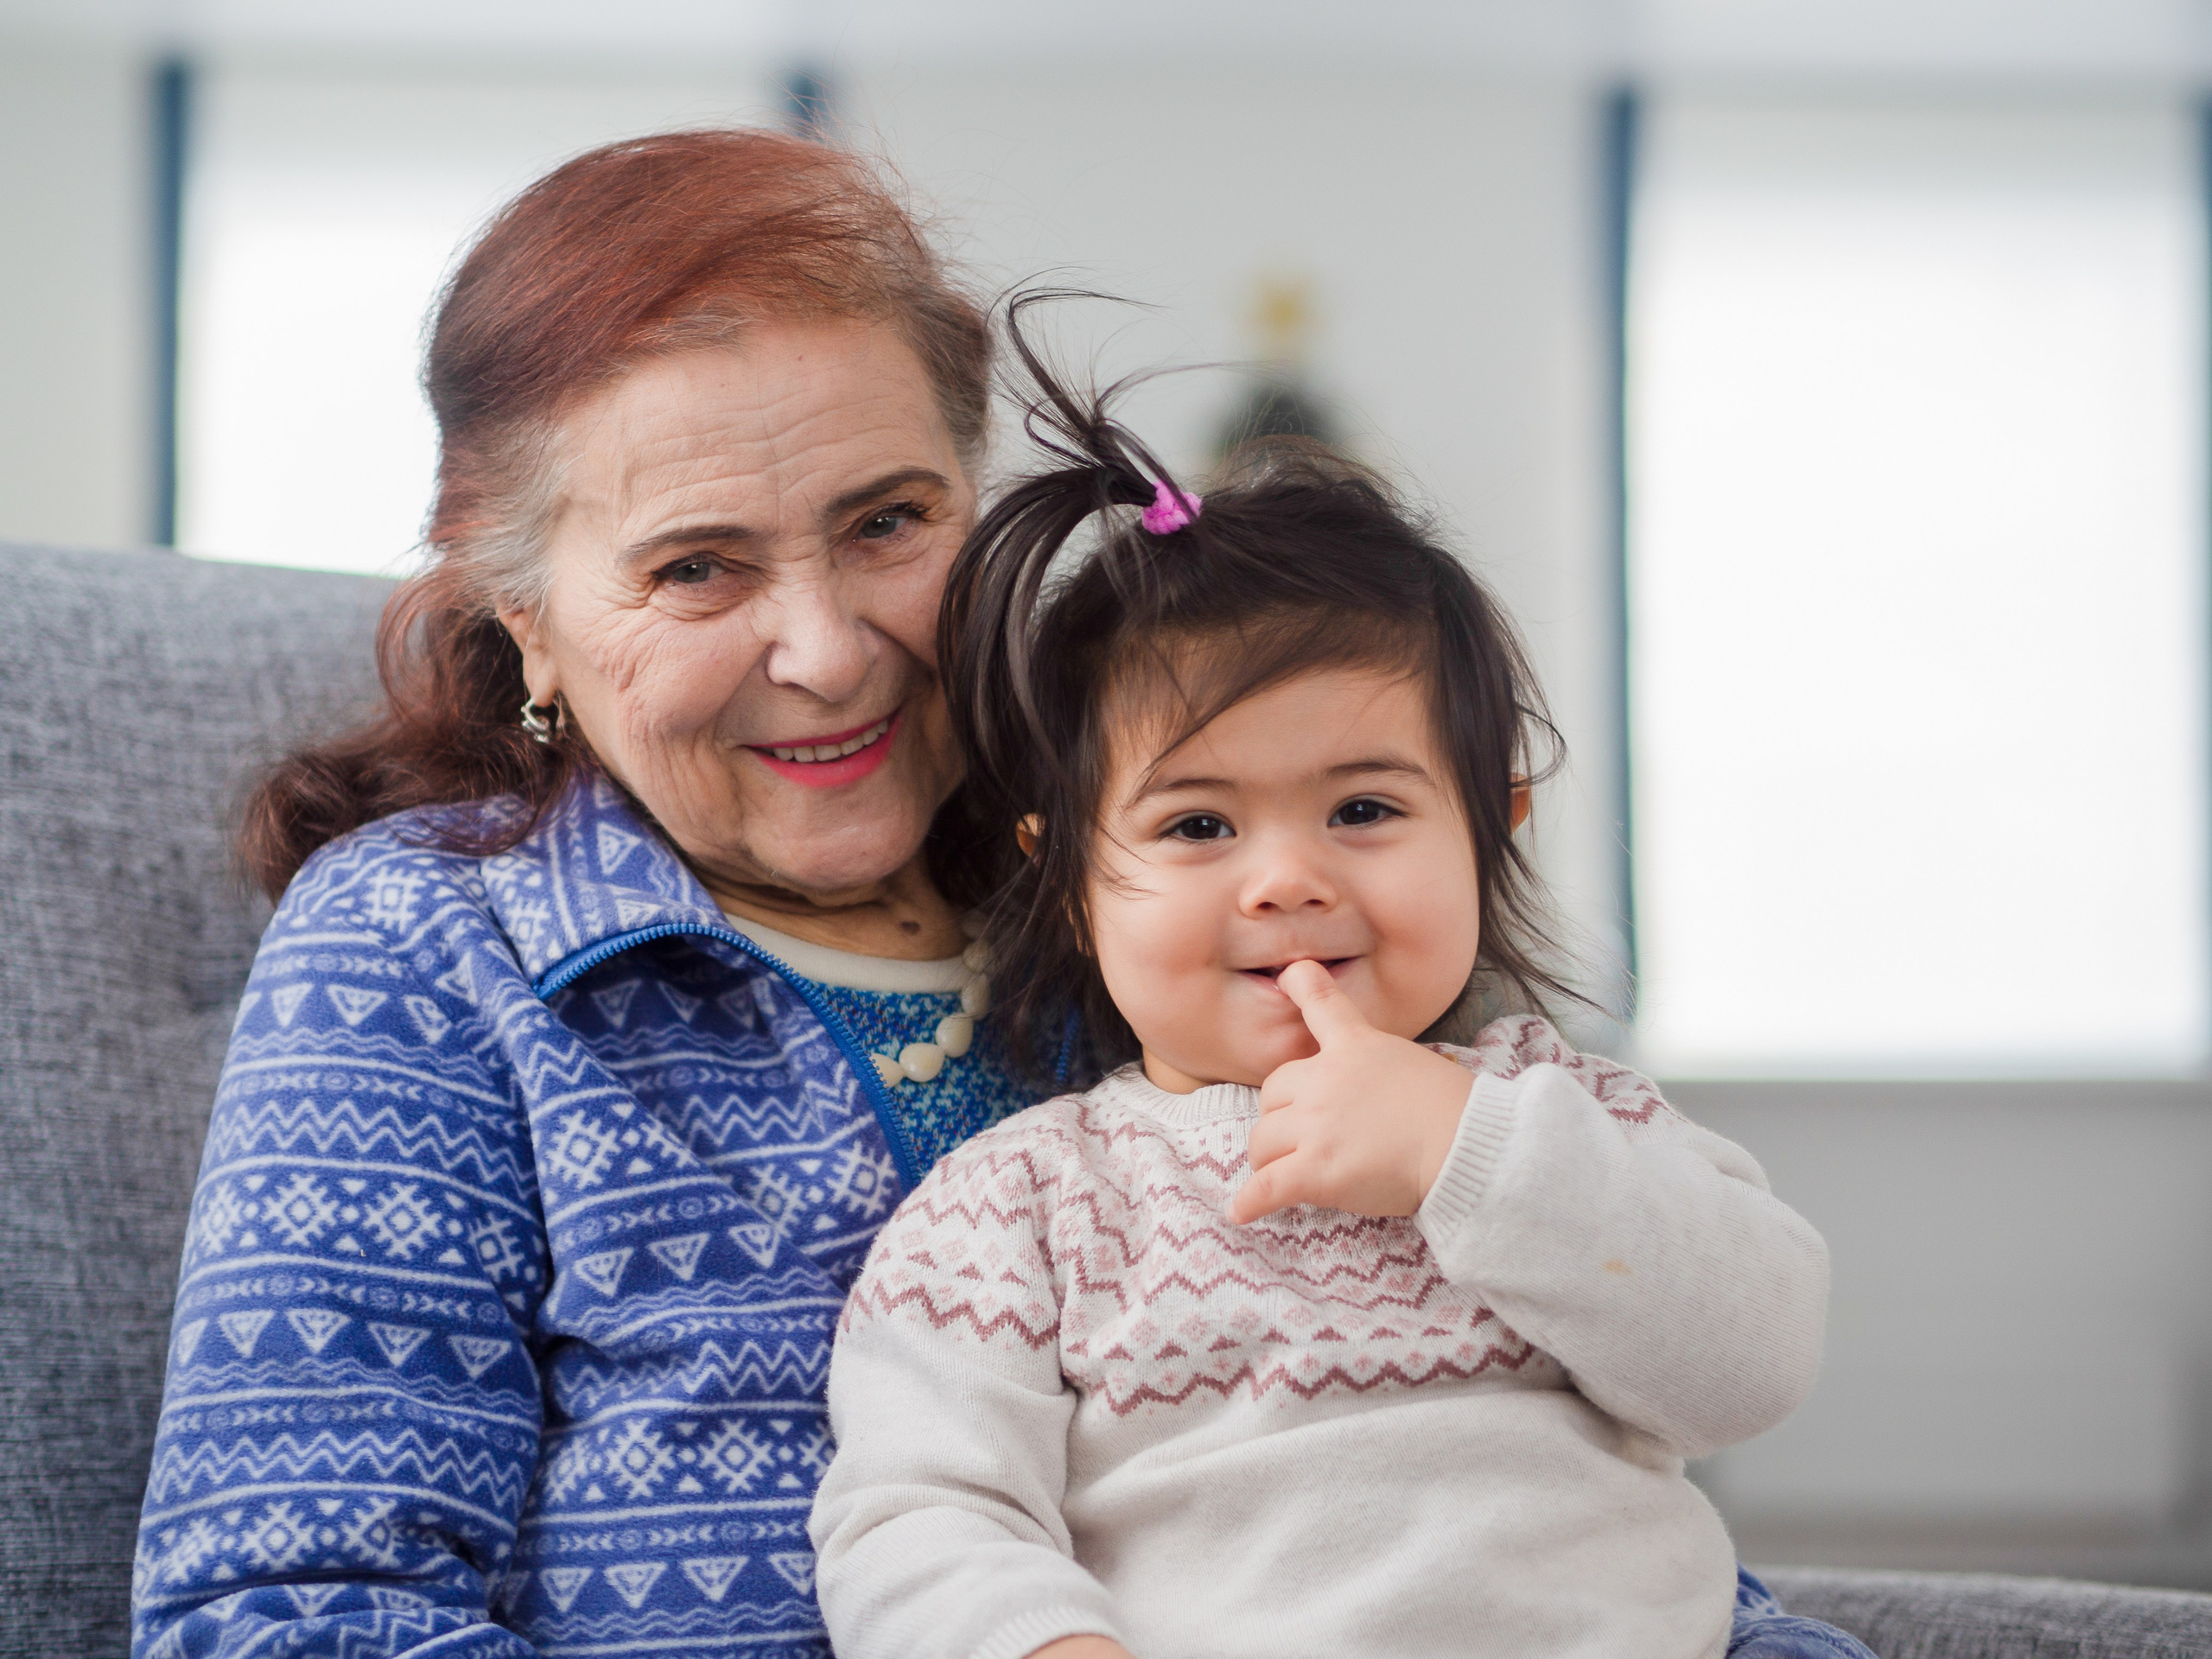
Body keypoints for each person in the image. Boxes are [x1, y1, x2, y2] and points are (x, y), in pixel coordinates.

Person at [808, 319, 1874, 1659]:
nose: (1284, 881)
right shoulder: (1027, 1204)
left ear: (1492, 826)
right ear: (1074, 880)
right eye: (1199, 827)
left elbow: (1751, 1361)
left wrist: (1461, 1147)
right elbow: (916, 1515)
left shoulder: (1560, 1114)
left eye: (1364, 807)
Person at [130, 130, 1031, 1659]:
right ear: (529, 625)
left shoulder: (1154, 885)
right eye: (697, 569)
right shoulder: (422, 945)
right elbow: (285, 1623)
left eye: (888, 522)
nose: (823, 649)